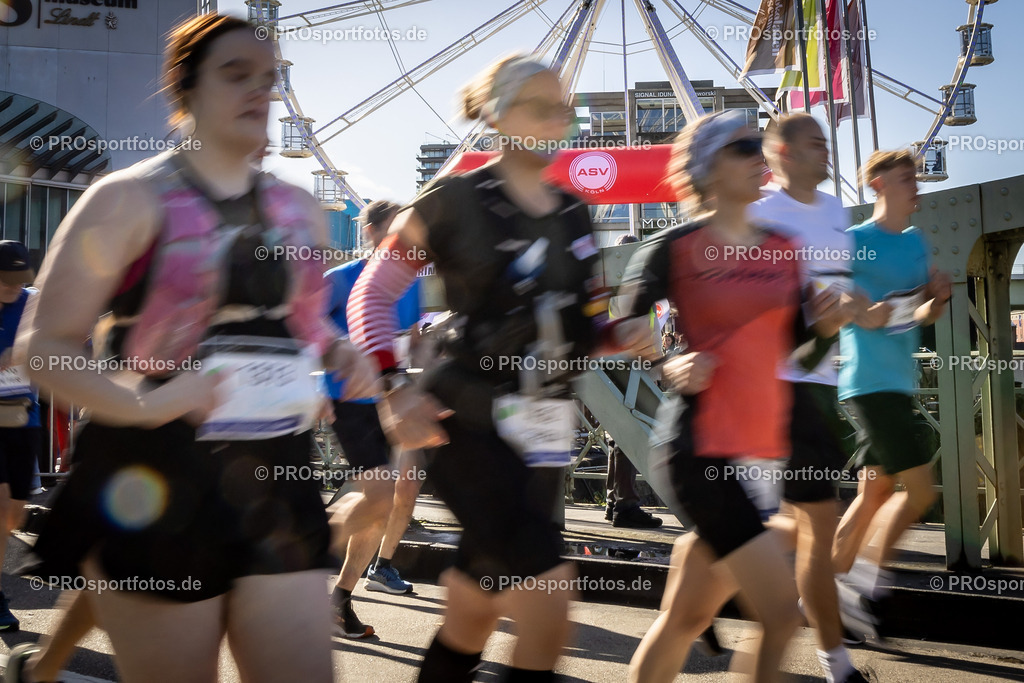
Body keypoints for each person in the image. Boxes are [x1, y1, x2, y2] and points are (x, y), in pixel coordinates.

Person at [8, 14, 375, 683]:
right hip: (153, 485)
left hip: (275, 482)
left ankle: (42, 666)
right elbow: (45, 349)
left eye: (270, 79)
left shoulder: (300, 211)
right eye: (236, 74)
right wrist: (150, 402)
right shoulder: (126, 198)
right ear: (184, 89)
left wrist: (338, 355)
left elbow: (305, 326)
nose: (259, 92)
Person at [346, 55, 647, 682]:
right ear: (498, 115)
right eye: (542, 106)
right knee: (549, 605)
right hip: (467, 418)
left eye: (564, 107)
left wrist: (625, 334)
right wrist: (394, 388)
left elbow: (585, 328)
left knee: (474, 610)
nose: (559, 119)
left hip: (546, 427)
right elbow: (371, 294)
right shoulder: (453, 199)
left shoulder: (573, 212)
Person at [621, 110, 845, 683]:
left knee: (684, 617)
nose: (757, 155)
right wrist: (667, 361)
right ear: (707, 169)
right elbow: (619, 327)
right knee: (779, 615)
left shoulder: (784, 248)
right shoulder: (674, 247)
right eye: (742, 147)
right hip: (698, 451)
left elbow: (793, 346)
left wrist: (821, 327)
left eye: (757, 145)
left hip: (759, 448)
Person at [747, 113, 868, 683]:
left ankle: (707, 565)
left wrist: (853, 306)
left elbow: (839, 289)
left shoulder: (835, 209)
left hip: (823, 383)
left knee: (801, 525)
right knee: (820, 524)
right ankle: (836, 663)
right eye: (816, 143)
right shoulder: (760, 214)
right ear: (783, 153)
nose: (826, 150)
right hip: (781, 386)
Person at [831, 149, 951, 638]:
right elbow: (832, 298)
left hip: (900, 382)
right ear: (878, 184)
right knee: (921, 493)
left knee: (874, 493)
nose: (916, 186)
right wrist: (862, 311)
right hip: (868, 382)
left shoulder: (917, 243)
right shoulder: (854, 240)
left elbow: (923, 320)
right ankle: (863, 585)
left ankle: (819, 590)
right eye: (906, 179)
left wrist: (936, 300)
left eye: (916, 179)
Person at [323, 199, 422, 637]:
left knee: (383, 508)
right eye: (393, 230)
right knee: (381, 497)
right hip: (349, 400)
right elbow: (302, 323)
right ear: (370, 232)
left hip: (392, 399)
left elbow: (415, 338)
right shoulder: (341, 279)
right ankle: (289, 556)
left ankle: (340, 601)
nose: (403, 239)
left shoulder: (413, 281)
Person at [603, 234, 663, 529]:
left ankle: (614, 500)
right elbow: (635, 330)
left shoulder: (614, 287)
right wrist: (658, 362)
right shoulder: (629, 288)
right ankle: (625, 503)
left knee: (619, 435)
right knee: (628, 434)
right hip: (634, 366)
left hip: (625, 365)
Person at [0, 241, 41, 631]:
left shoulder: (33, 303)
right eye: (5, 281)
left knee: (13, 515)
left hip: (23, 420)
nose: (13, 288)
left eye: (18, 280)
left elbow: (70, 339)